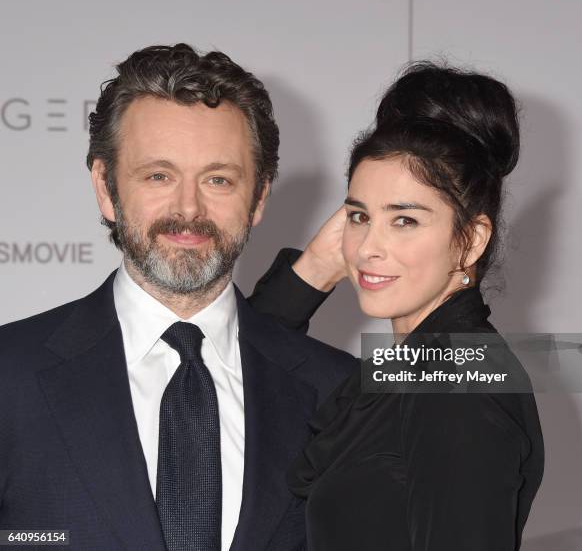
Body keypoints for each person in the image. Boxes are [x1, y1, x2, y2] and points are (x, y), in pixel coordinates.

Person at [0, 44, 355, 551]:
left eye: (218, 179)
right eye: (159, 176)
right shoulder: (8, 377)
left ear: (259, 198)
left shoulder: (338, 391)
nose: (188, 208)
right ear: (106, 188)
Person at [254, 62, 545, 550]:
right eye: (359, 216)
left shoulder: (459, 389)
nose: (369, 246)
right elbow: (234, 377)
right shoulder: (413, 368)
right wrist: (317, 267)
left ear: (470, 239)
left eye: (404, 221)